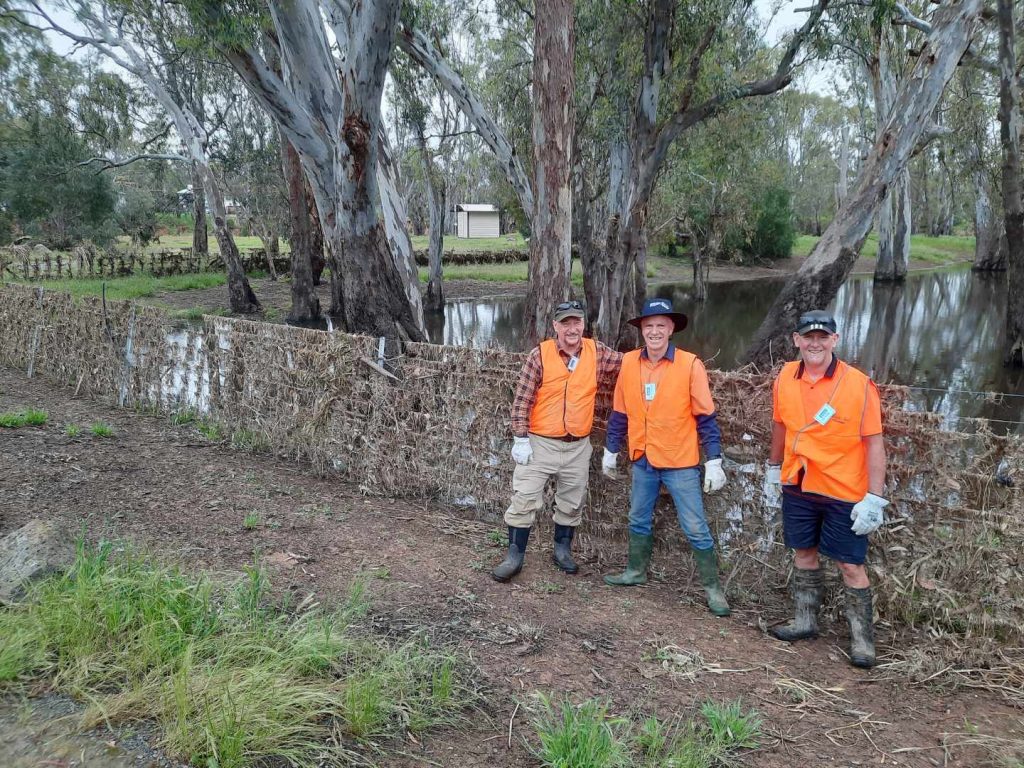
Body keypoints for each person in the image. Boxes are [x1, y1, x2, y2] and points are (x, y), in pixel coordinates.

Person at [764, 309, 887, 668]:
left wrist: (874, 498)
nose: (815, 344)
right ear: (797, 340)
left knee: (850, 565)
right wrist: (773, 468)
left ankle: (862, 640)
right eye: (808, 337)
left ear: (835, 340)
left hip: (843, 489)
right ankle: (805, 621)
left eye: (823, 337)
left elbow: (874, 444)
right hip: (799, 483)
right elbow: (780, 425)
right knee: (803, 552)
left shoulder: (859, 384)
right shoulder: (785, 377)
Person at [601, 298, 730, 617]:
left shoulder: (690, 365)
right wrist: (611, 449)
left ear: (671, 329)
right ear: (642, 330)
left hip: (680, 461)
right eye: (649, 326)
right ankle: (635, 571)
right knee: (638, 517)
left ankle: (713, 588)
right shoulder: (629, 362)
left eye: (661, 325)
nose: (655, 331)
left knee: (695, 526)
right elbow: (619, 411)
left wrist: (714, 460)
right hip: (643, 458)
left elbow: (706, 417)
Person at [492, 300, 623, 582]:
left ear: (583, 324)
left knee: (572, 502)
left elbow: (630, 366)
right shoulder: (540, 355)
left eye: (576, 322)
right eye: (566, 323)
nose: (572, 329)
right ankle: (514, 556)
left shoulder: (598, 352)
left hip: (578, 445)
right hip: (541, 443)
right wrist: (520, 438)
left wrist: (657, 359)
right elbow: (522, 400)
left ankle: (562, 551)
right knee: (524, 498)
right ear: (555, 326)